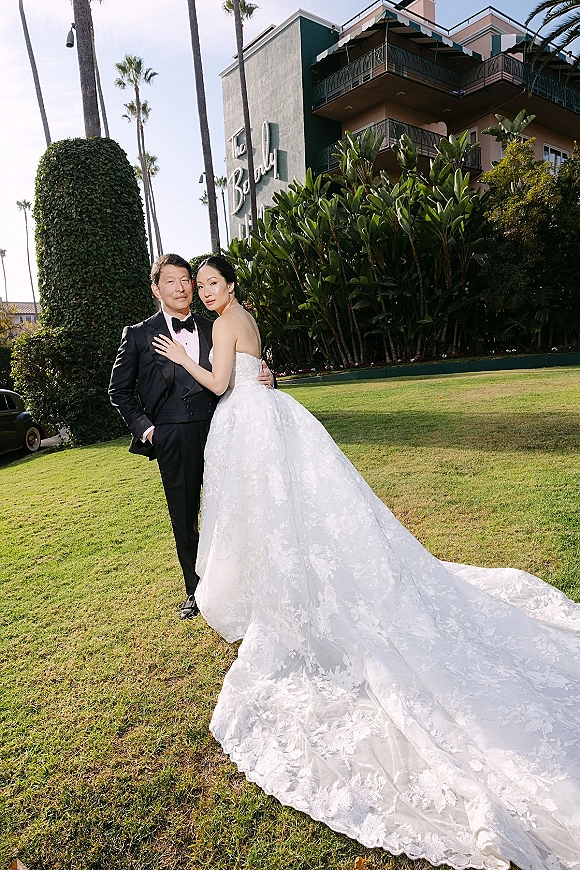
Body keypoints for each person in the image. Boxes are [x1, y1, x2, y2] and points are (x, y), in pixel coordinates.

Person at [154, 255, 580, 870]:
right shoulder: (241, 317)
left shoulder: (223, 322)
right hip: (263, 418)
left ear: (229, 287)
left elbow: (222, 384)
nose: (208, 291)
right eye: (203, 285)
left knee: (274, 517)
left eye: (215, 282)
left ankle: (283, 595)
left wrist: (184, 360)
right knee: (285, 516)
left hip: (246, 419)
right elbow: (250, 370)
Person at [108, 253, 272, 619]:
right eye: (172, 281)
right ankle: (195, 591)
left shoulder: (213, 323)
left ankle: (237, 580)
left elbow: (236, 366)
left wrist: (265, 373)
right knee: (184, 515)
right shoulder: (138, 335)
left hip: (221, 428)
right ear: (156, 288)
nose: (182, 288)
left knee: (228, 506)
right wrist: (148, 430)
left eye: (187, 280)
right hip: (171, 436)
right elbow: (117, 391)